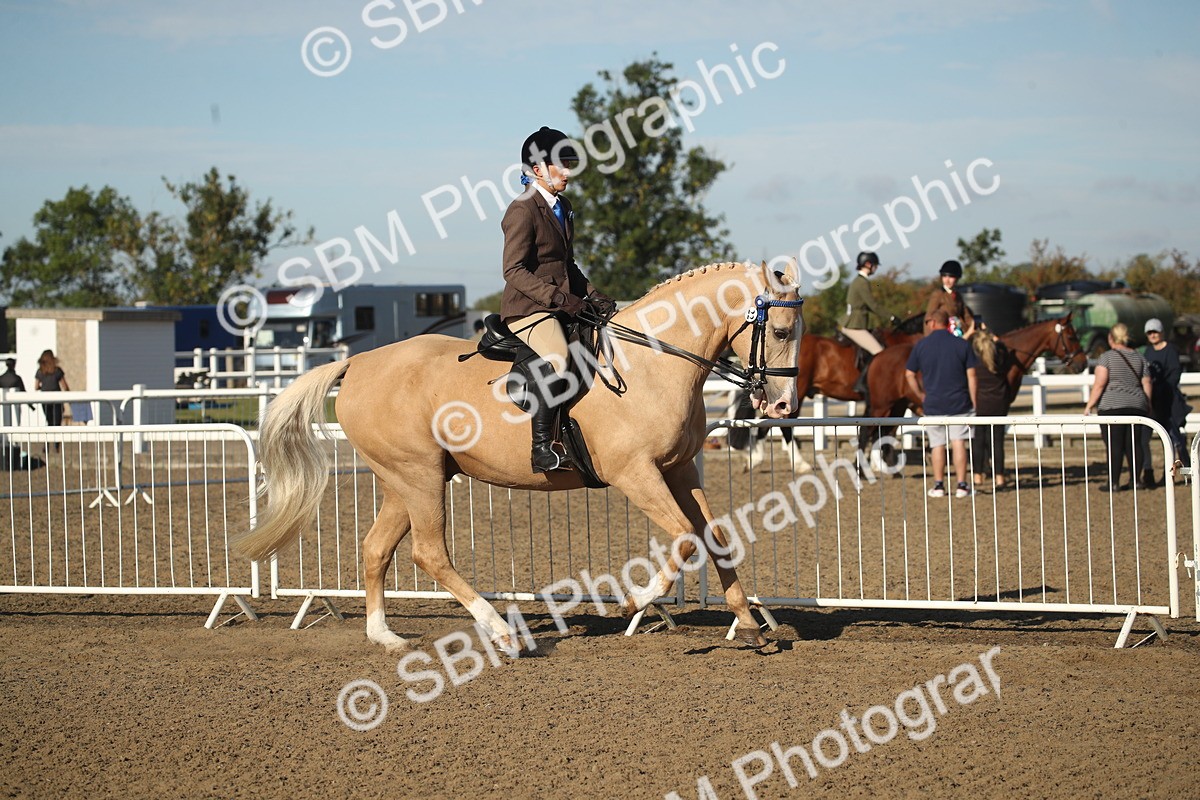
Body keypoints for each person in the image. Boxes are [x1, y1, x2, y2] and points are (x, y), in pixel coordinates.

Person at [500, 126, 612, 473]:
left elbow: (568, 264)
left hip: (561, 303)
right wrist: (558, 298)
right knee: (560, 358)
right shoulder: (522, 209)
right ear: (537, 170)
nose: (568, 171)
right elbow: (513, 270)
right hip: (528, 309)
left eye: (570, 162)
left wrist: (594, 295)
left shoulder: (563, 206)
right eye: (561, 164)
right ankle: (542, 449)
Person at [905, 308, 979, 498]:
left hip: (933, 404)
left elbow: (909, 374)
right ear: (948, 323)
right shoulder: (961, 345)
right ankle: (962, 485)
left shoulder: (921, 346)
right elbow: (972, 376)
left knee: (937, 444)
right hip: (959, 403)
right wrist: (974, 401)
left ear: (932, 323)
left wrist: (920, 394)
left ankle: (938, 485)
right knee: (959, 443)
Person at [1084, 323, 1154, 491]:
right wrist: (1148, 405)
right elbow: (1147, 383)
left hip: (1112, 405)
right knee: (1135, 444)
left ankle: (1113, 482)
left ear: (1110, 338)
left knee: (1114, 445)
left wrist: (1089, 405)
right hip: (1137, 405)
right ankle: (1135, 480)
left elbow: (1099, 385)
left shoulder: (1106, 357)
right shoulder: (1139, 357)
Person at [839, 251, 899, 395]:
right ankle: (861, 383)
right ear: (868, 264)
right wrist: (891, 317)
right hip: (854, 324)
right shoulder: (861, 282)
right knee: (879, 352)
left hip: (855, 321)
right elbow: (873, 305)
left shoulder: (859, 281)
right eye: (875, 265)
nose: (876, 268)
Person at [969, 330, 1017, 490]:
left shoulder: (974, 360)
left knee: (979, 440)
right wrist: (997, 340)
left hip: (981, 403)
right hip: (998, 403)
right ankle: (1000, 478)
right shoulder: (1000, 358)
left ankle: (977, 476)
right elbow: (1007, 349)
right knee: (997, 441)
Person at [1141, 317, 1190, 469]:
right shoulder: (1148, 352)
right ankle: (1150, 471)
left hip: (1169, 401)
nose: (1153, 335)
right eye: (1150, 333)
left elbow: (1175, 374)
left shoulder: (1170, 350)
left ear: (1161, 332)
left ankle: (1187, 467)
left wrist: (1162, 389)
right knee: (1147, 437)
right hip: (1153, 399)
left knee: (1175, 438)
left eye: (1155, 332)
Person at [925, 260, 976, 338]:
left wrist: (975, 326)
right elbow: (929, 317)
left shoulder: (958, 295)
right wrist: (929, 338)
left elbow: (966, 315)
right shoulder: (938, 294)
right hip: (942, 334)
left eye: (951, 277)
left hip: (957, 331)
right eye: (944, 276)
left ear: (957, 278)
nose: (947, 280)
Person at [35, 349, 71, 452]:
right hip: (57, 400)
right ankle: (56, 446)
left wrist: (43, 386)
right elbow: (65, 386)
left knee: (49, 422)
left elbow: (36, 386)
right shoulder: (57, 371)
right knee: (57, 422)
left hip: (45, 400)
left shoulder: (40, 371)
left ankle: (46, 444)